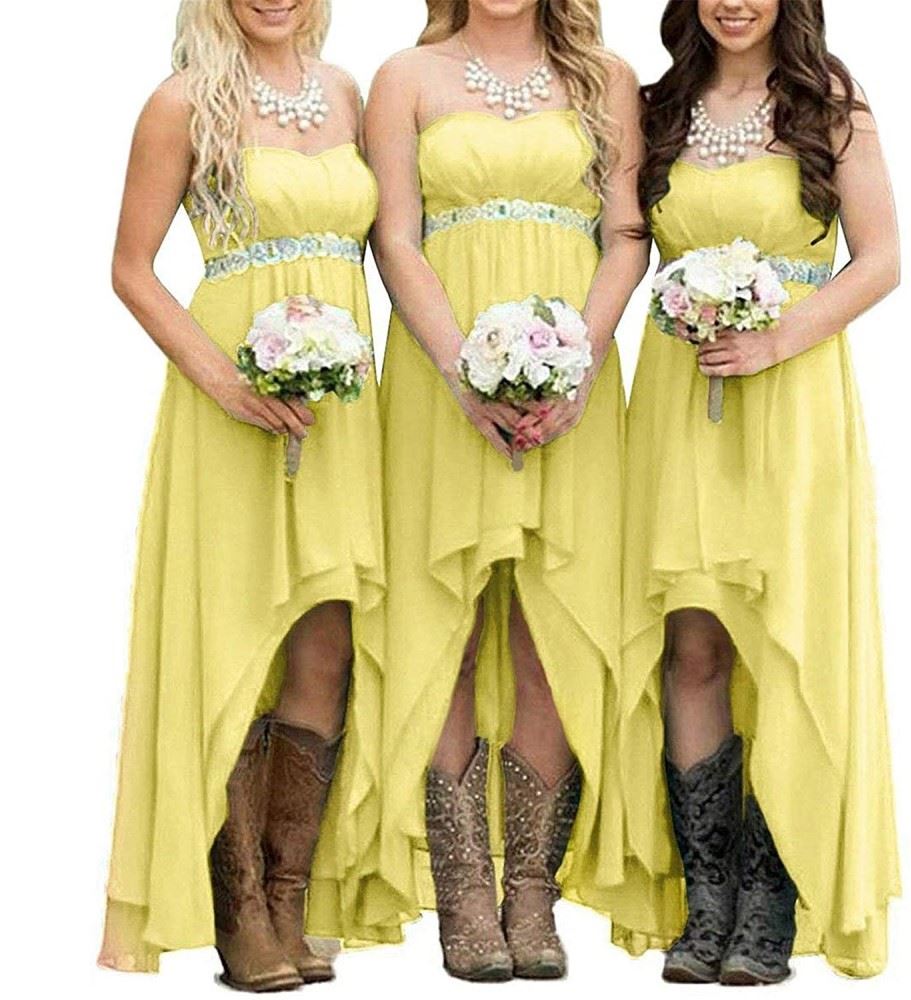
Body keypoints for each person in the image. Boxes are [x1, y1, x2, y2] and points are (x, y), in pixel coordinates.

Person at [96, 0, 385, 989]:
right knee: (232, 639)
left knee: (327, 636)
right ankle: (240, 908)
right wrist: (226, 384)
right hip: (230, 398)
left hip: (343, 405)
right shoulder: (182, 103)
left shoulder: (347, 93)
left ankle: (292, 895)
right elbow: (132, 269)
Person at [614, 0, 901, 984]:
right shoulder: (658, 108)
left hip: (793, 403)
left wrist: (779, 338)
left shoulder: (830, 102)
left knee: (782, 641)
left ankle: (770, 903)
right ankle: (707, 903)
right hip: (676, 401)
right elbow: (624, 243)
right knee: (691, 642)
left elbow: (882, 259)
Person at [365, 0, 648, 982]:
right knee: (442, 620)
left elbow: (626, 234)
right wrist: (459, 371)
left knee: (551, 622)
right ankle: (463, 896)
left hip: (574, 382)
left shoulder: (605, 76)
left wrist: (579, 363)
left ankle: (532, 891)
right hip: (438, 375)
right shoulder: (404, 76)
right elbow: (395, 238)